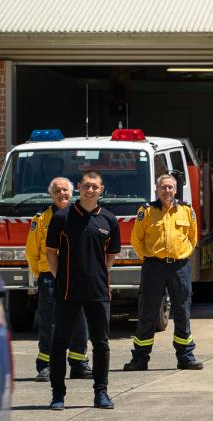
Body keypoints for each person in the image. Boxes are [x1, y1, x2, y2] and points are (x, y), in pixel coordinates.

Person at [45, 170, 120, 410]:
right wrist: (61, 278)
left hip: (98, 292)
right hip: (67, 291)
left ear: (101, 190)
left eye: (94, 187)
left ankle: (101, 394)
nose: (90, 190)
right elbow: (50, 252)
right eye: (86, 185)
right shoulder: (62, 217)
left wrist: (97, 275)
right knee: (59, 343)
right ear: (79, 187)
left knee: (101, 344)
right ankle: (58, 395)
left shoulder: (109, 220)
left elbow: (110, 257)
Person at [123, 174, 202, 372]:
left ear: (176, 190)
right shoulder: (147, 212)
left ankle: (186, 356)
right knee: (147, 312)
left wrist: (181, 255)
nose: (167, 191)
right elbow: (136, 240)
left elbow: (193, 238)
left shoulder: (186, 210)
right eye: (163, 188)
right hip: (154, 267)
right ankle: (140, 358)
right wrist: (150, 258)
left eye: (170, 187)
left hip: (179, 267)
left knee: (182, 311)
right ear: (157, 190)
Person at [25, 177, 92, 382]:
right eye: (57, 191)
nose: (62, 194)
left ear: (72, 193)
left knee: (80, 322)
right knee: (49, 324)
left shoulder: (83, 216)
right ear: (51, 194)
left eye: (65, 190)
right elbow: (32, 252)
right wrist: (44, 274)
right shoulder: (41, 219)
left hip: (77, 278)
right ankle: (46, 366)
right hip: (50, 279)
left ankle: (79, 364)